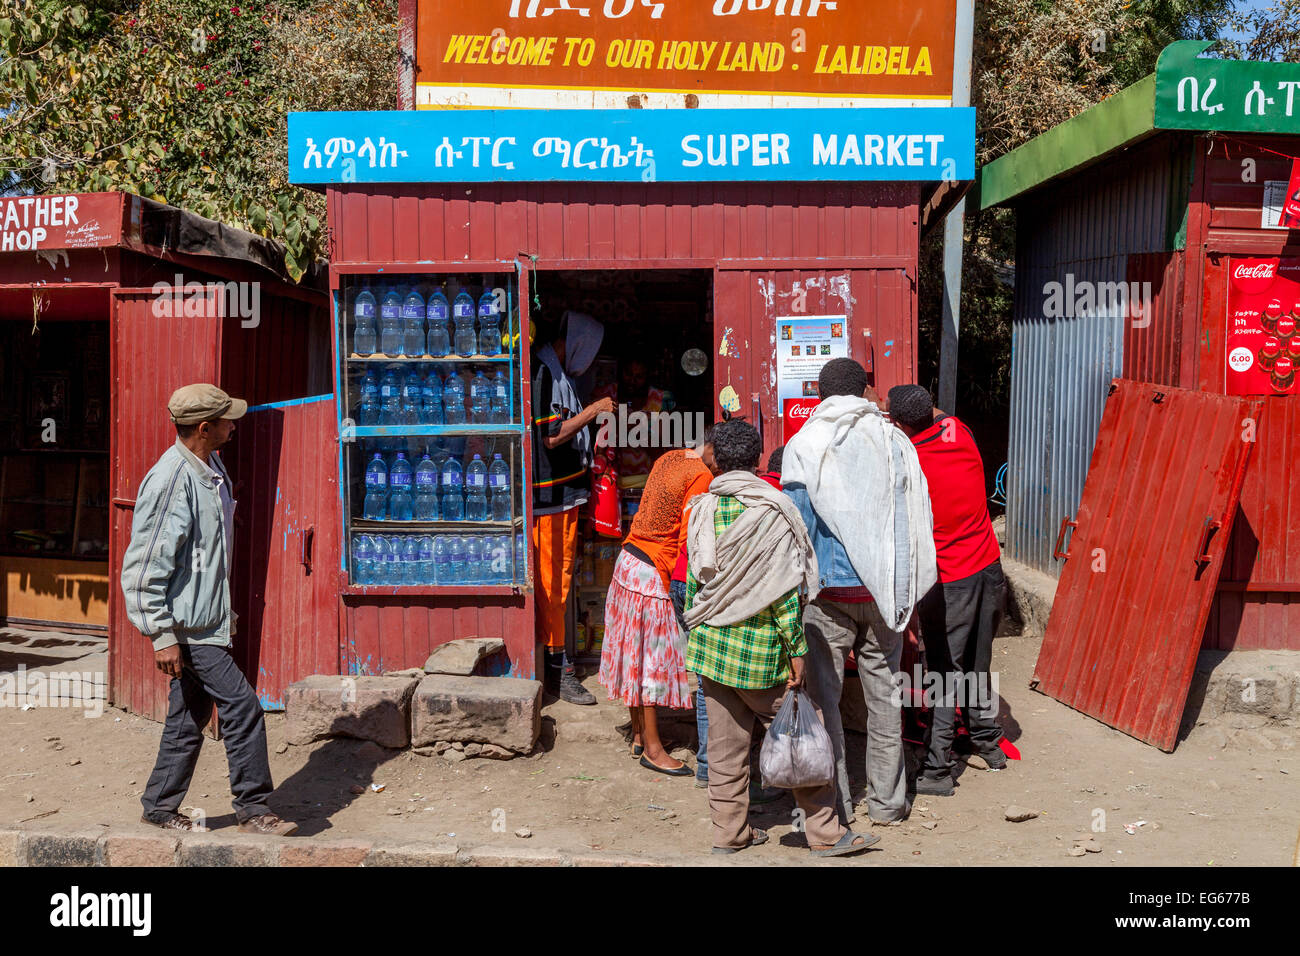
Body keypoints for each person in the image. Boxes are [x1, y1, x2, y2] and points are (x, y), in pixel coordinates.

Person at [684, 419, 875, 857]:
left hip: (712, 652)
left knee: (725, 750)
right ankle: (825, 834)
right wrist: (797, 653)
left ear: (714, 457)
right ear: (756, 459)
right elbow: (785, 594)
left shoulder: (702, 510)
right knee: (801, 737)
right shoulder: (772, 511)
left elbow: (697, 585)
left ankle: (728, 836)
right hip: (761, 656)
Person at [121, 384, 298, 836]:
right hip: (187, 626)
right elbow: (143, 567)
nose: (233, 426)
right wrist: (161, 635)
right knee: (242, 707)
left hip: (206, 618)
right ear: (204, 428)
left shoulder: (209, 465)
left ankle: (159, 807)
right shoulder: (170, 480)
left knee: (188, 717)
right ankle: (254, 809)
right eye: (226, 420)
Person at [783, 358, 937, 826]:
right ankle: (889, 804)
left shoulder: (806, 442)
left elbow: (798, 525)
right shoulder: (894, 439)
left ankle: (837, 806)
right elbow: (914, 515)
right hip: (883, 592)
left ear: (822, 392)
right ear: (865, 389)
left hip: (828, 597)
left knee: (825, 704)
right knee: (885, 699)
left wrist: (797, 593)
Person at [887, 385, 1008, 796]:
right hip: (989, 568)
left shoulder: (908, 461)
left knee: (944, 671)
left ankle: (937, 769)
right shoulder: (959, 431)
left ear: (900, 425)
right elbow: (933, 413)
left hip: (950, 579)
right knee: (978, 660)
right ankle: (988, 742)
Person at [598, 440, 712, 776]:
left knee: (635, 656)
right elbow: (688, 538)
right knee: (651, 664)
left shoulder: (671, 457)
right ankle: (653, 748)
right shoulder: (702, 476)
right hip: (651, 574)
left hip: (627, 563)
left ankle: (637, 734)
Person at [532, 310, 613, 705]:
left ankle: (558, 660)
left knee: (561, 578)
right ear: (576, 341)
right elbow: (551, 436)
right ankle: (557, 669)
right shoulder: (544, 373)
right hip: (548, 498)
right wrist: (593, 412)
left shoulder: (559, 375)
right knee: (552, 584)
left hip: (564, 494)